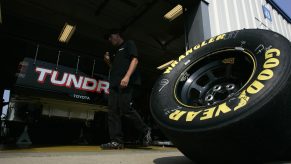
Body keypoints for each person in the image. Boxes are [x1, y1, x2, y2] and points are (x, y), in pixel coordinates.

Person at [101, 29, 151, 149]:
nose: (109, 39)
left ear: (117, 35)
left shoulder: (129, 44)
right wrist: (108, 62)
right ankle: (116, 141)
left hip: (126, 82)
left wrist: (127, 77)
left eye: (110, 36)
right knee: (112, 112)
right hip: (114, 84)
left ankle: (145, 130)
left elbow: (135, 60)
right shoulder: (115, 52)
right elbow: (114, 68)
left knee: (125, 108)